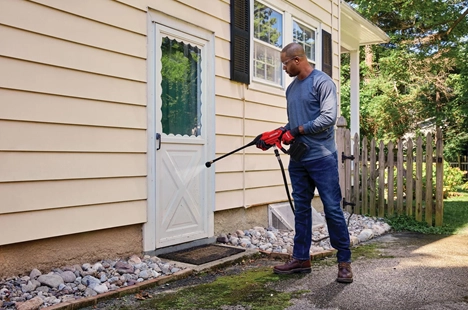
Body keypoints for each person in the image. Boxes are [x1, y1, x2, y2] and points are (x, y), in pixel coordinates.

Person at [256, 42, 353, 283]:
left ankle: (344, 263)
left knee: (331, 208)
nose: (284, 68)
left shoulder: (323, 82)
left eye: (285, 63)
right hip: (299, 159)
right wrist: (275, 134)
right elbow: (293, 124)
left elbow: (329, 118)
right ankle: (301, 259)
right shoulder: (291, 89)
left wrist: (296, 130)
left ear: (297, 60)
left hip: (322, 157)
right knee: (301, 209)